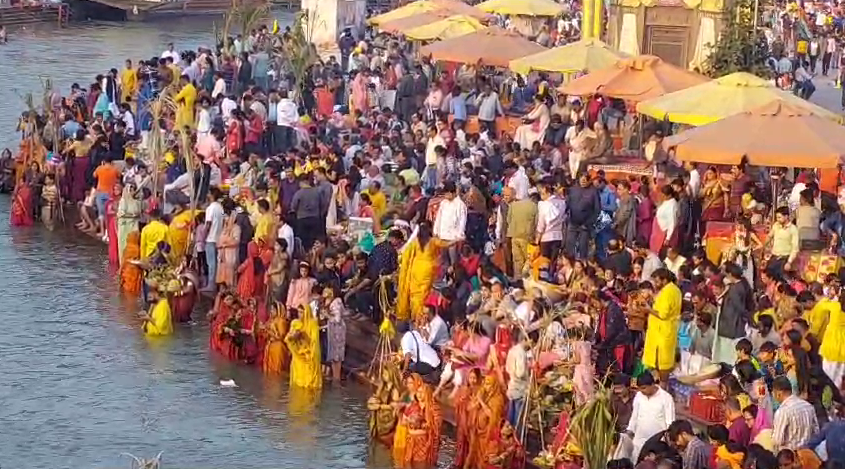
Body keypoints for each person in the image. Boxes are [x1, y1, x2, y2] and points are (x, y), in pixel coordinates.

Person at [626, 372, 676, 462]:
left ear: (653, 384)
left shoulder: (666, 398)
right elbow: (634, 416)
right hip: (639, 440)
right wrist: (629, 432)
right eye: (640, 389)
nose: (642, 391)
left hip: (657, 443)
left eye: (644, 388)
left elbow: (670, 422)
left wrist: (667, 440)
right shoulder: (638, 396)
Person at [643, 269, 682, 382]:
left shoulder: (669, 292)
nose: (655, 283)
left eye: (657, 281)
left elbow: (663, 314)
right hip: (662, 331)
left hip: (663, 332)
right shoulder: (672, 290)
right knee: (659, 363)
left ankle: (663, 388)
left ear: (664, 280)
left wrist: (648, 309)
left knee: (663, 364)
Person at [771, 376, 819, 450]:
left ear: (778, 393)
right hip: (807, 453)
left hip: (790, 456)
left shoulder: (782, 411)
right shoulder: (808, 406)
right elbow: (816, 431)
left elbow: (777, 440)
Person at [285, 304, 323, 389]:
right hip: (298, 356)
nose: (300, 315)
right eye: (299, 312)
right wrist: (293, 337)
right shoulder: (295, 323)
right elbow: (288, 338)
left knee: (309, 386)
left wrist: (304, 335)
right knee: (297, 386)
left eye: (302, 312)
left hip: (309, 357)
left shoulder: (313, 324)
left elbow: (314, 342)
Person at [262, 302, 288, 375]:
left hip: (278, 348)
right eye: (271, 309)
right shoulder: (270, 320)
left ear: (278, 310)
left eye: (273, 309)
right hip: (270, 347)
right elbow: (265, 335)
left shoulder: (282, 321)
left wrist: (268, 331)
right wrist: (263, 330)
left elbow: (280, 337)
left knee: (277, 371)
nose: (271, 311)